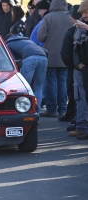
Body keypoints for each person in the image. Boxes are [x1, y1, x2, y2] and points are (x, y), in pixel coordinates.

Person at [37, 0, 72, 117]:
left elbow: (41, 36)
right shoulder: (70, 17)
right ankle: (62, 108)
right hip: (66, 55)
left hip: (50, 54)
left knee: (51, 81)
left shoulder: (48, 17)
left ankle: (51, 108)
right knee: (62, 81)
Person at [63, 1, 88, 139]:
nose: (83, 16)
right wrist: (76, 64)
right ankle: (82, 127)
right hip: (80, 69)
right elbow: (73, 49)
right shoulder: (77, 28)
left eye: (86, 12)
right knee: (80, 98)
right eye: (82, 13)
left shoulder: (83, 27)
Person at [5, 34, 48, 112]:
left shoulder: (8, 44)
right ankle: (37, 112)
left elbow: (13, 61)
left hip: (29, 59)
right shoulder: (27, 40)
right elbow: (45, 51)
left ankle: (26, 110)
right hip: (43, 57)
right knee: (38, 87)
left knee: (25, 88)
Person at [58, 5, 81, 126]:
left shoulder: (72, 31)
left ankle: (74, 116)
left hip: (75, 66)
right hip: (79, 65)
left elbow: (65, 52)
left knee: (73, 92)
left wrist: (72, 65)